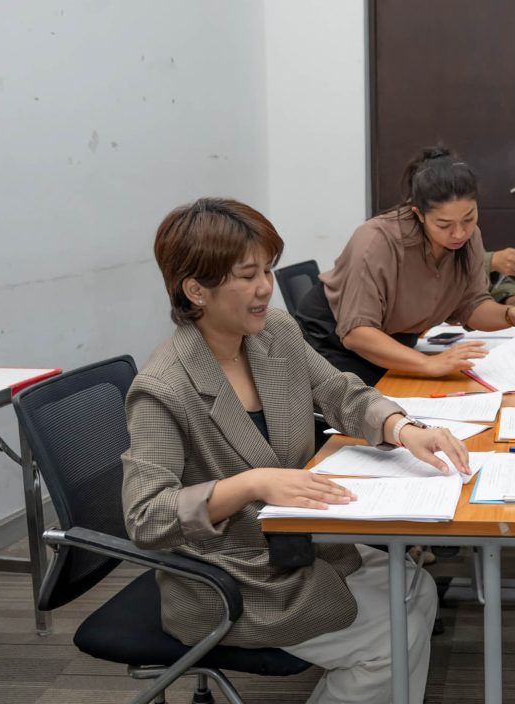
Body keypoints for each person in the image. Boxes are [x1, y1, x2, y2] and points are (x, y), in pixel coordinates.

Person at [122, 198, 471, 704]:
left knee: (417, 590)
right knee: (392, 637)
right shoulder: (164, 387)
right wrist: (251, 484)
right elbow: (146, 517)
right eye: (248, 275)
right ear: (196, 290)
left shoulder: (275, 333)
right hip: (232, 577)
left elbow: (339, 392)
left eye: (268, 270)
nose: (265, 287)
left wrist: (402, 428)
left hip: (298, 548)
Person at [296, 146, 515, 386]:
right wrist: (429, 364)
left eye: (469, 219)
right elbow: (357, 332)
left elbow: (472, 306)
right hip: (332, 345)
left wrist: (512, 315)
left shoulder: (470, 239)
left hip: (394, 346)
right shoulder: (377, 241)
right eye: (443, 225)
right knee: (385, 408)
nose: (459, 233)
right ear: (419, 214)